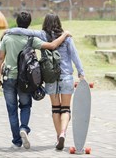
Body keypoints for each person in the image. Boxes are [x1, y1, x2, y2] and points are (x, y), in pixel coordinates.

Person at [5, 12, 85, 151]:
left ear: (45, 23)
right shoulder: (66, 38)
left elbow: (24, 30)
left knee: (56, 109)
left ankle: (57, 137)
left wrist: (9, 30)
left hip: (50, 78)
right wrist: (81, 72)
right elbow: (74, 56)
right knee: (65, 109)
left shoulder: (41, 34)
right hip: (66, 76)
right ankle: (62, 134)